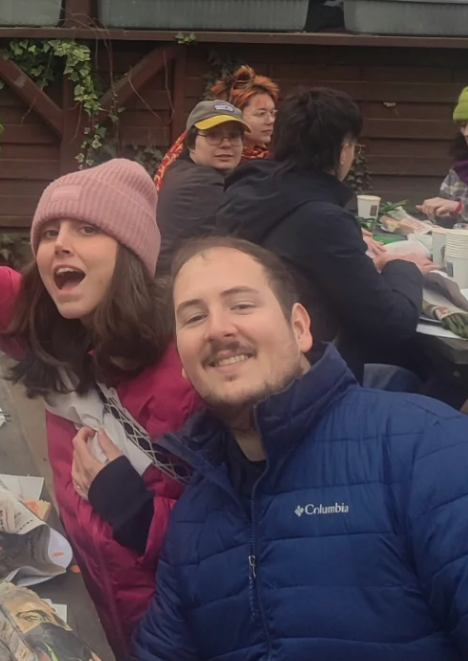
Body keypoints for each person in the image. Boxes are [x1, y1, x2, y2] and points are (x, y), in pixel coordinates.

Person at [0, 89, 198, 659]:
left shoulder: (189, 361)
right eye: (50, 231)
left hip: (179, 632)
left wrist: (136, 512)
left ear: (131, 252)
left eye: (87, 229)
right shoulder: (43, 320)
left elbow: (246, 528)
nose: (61, 244)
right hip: (88, 608)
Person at [135, 237, 468, 661]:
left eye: (241, 305)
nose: (217, 329)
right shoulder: (193, 522)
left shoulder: (426, 448)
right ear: (183, 362)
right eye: (195, 317)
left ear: (299, 328)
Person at [216, 85, 429, 377]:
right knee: (427, 374)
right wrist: (403, 267)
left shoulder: (247, 191)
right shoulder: (323, 219)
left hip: (254, 360)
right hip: (311, 376)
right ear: (343, 151)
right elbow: (392, 322)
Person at [154, 100, 249, 264]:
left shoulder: (179, 169)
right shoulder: (203, 184)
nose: (226, 144)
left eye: (234, 136)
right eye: (213, 135)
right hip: (178, 277)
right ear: (191, 143)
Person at [153, 66, 278, 189]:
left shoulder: (265, 156)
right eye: (261, 113)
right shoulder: (200, 162)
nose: (271, 120)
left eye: (273, 113)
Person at [419, 84, 468, 223]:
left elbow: (457, 208)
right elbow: (446, 213)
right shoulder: (459, 170)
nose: (466, 133)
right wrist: (438, 213)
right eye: (463, 125)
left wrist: (460, 208)